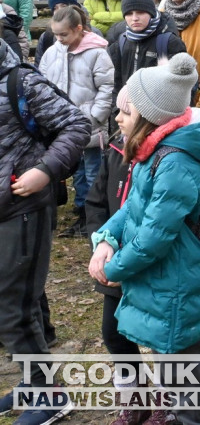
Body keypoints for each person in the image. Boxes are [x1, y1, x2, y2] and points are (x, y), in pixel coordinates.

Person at [88, 53, 200, 425]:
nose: (117, 119)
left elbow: (154, 236)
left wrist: (115, 269)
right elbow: (132, 209)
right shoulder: (153, 152)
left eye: (125, 112)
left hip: (174, 282)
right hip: (160, 281)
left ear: (148, 116)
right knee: (168, 364)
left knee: (184, 370)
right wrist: (106, 238)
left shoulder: (175, 162)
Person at [0, 38, 89, 425]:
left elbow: (77, 124)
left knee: (13, 306)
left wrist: (44, 171)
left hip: (22, 209)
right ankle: (33, 380)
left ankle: (49, 396)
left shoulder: (19, 82)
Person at [38, 4, 114, 239]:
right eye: (56, 34)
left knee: (92, 170)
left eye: (64, 34)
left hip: (89, 124)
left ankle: (93, 215)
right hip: (61, 126)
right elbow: (42, 84)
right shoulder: (52, 53)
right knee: (76, 172)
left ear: (78, 29)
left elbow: (106, 87)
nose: (59, 39)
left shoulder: (97, 53)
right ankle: (81, 208)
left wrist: (95, 116)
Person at [83, 129, 143, 425]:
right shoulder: (115, 151)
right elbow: (96, 204)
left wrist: (126, 260)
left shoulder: (165, 158)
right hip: (113, 263)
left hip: (148, 265)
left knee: (164, 339)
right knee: (113, 332)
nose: (117, 120)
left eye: (126, 111)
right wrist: (101, 246)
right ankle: (135, 397)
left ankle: (175, 402)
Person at [106, 0, 188, 101]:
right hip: (127, 112)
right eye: (129, 13)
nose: (134, 18)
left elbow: (182, 85)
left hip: (158, 112)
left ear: (151, 13)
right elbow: (116, 84)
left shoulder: (169, 42)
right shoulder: (121, 41)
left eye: (140, 12)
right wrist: (117, 111)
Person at [35, 0, 102, 61]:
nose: (60, 10)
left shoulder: (94, 34)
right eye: (55, 8)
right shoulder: (47, 37)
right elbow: (40, 67)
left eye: (64, 6)